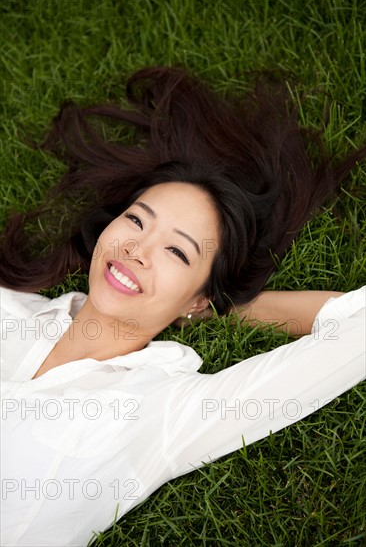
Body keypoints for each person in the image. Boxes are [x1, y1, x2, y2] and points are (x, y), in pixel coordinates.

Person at [0, 66, 365, 546]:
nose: (137, 249)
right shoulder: (12, 309)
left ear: (199, 292)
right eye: (136, 220)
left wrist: (216, 308)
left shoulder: (165, 411)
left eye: (177, 252)